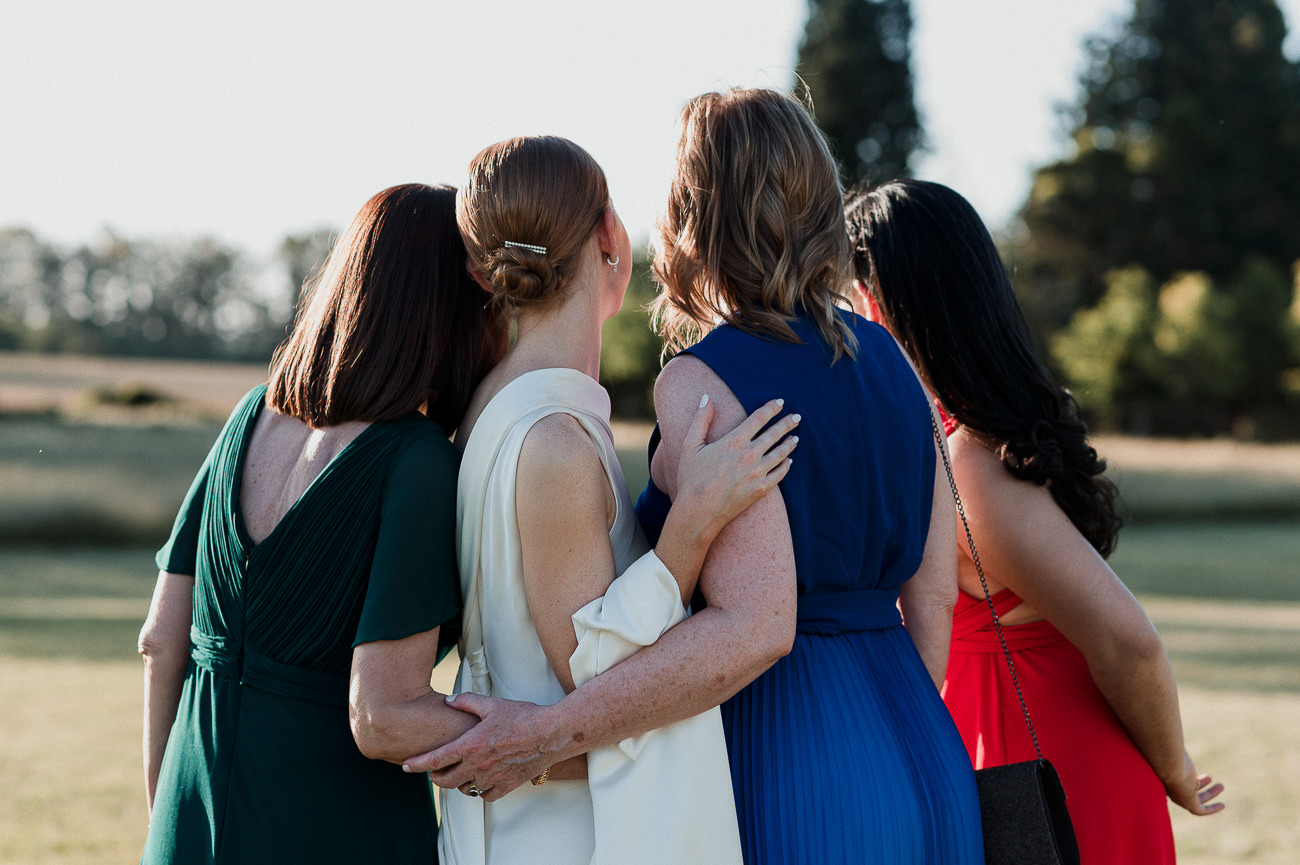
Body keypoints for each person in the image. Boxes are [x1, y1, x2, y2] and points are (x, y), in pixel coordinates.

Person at [410, 91, 984, 864]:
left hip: (786, 751)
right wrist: (891, 719)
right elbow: (936, 593)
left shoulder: (706, 380)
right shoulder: (895, 364)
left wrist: (541, 736)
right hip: (925, 744)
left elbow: (758, 624)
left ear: (692, 215)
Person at [435, 134, 799, 865]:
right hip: (568, 832)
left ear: (482, 268)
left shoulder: (501, 406)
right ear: (611, 235)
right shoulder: (553, 440)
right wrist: (690, 525)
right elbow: (598, 681)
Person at [844, 178, 1226, 864]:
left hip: (1058, 799)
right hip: (1019, 784)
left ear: (877, 303)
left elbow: (1129, 642)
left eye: (843, 302)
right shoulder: (962, 442)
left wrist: (1175, 769)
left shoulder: (974, 468)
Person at [137, 184, 509, 864]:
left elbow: (163, 640)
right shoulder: (416, 459)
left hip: (187, 815)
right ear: (454, 308)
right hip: (335, 824)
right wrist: (556, 732)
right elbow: (388, 712)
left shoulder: (248, 418)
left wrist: (172, 813)